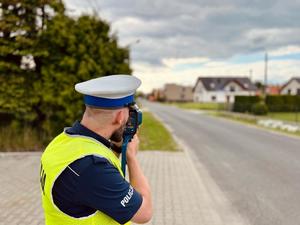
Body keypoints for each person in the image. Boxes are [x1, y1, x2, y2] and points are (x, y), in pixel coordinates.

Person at [40, 75, 152, 225]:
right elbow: (144, 213)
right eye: (130, 112)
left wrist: (118, 148)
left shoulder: (62, 142)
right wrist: (131, 157)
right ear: (120, 116)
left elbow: (93, 180)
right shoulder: (91, 167)